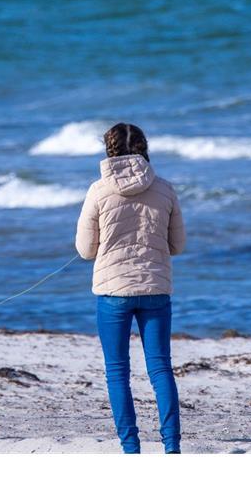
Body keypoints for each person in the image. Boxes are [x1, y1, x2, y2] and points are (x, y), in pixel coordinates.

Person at [75, 122, 185, 453]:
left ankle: (131, 448)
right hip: (155, 288)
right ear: (144, 148)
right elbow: (177, 245)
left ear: (108, 149)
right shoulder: (164, 188)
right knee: (161, 368)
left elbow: (85, 250)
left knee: (117, 372)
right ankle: (171, 447)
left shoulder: (98, 190)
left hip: (113, 292)